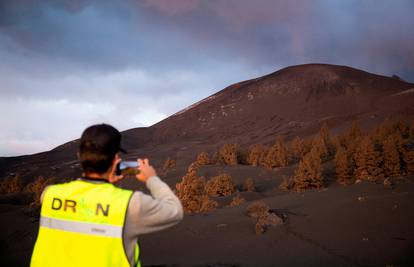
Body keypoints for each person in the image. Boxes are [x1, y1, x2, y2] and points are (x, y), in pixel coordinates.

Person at [30, 124, 183, 267]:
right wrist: (151, 178)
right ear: (116, 159)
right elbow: (174, 211)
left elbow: (85, 205)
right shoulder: (129, 204)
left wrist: (108, 182)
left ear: (79, 156)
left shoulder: (50, 194)